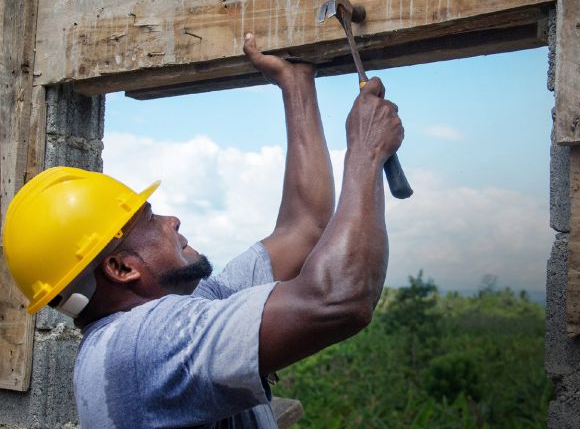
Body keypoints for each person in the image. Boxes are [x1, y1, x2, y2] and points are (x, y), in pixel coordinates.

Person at [1, 33, 404, 428]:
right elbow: (339, 299)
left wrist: (296, 85)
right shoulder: (147, 345)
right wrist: (366, 151)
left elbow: (304, 228)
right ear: (121, 268)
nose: (171, 221)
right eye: (149, 219)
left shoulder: (168, 317)